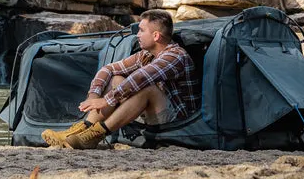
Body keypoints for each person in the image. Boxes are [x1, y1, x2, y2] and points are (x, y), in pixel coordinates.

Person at [42, 9, 198, 149]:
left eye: (142, 30)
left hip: (178, 122)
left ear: (156, 36)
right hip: (154, 115)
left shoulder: (175, 56)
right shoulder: (146, 55)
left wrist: (107, 100)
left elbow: (141, 77)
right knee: (117, 78)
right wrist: (94, 95)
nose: (137, 35)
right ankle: (82, 129)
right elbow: (108, 68)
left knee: (147, 88)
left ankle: (96, 135)